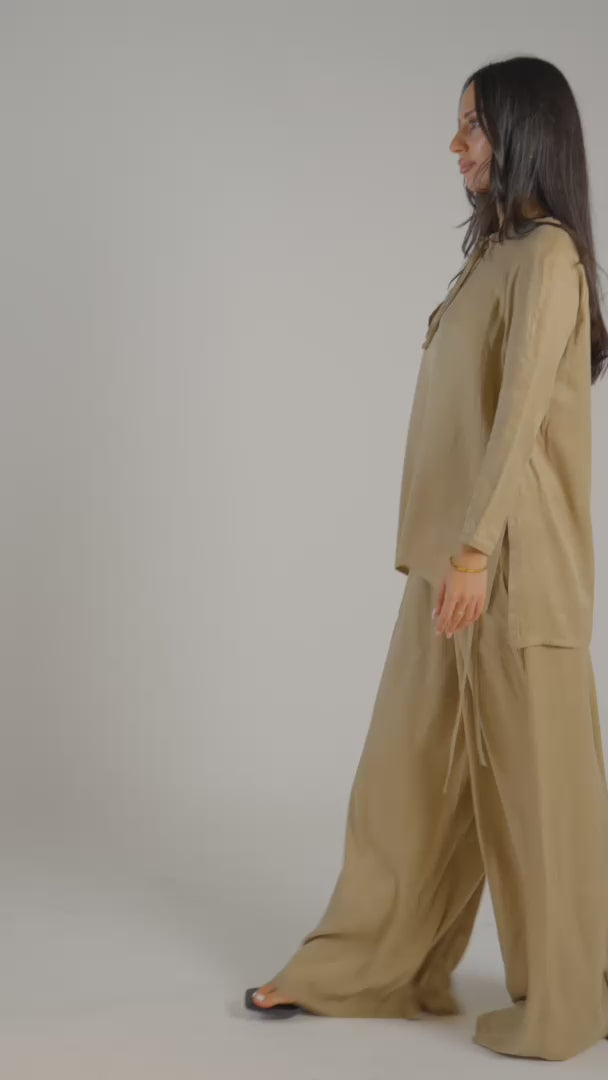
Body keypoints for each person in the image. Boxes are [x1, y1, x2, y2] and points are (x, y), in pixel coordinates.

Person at [243, 55, 608, 1061]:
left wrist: (478, 551)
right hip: (450, 573)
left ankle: (567, 999)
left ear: (524, 132)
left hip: (512, 575)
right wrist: (455, 557)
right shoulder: (490, 259)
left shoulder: (549, 259)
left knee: (537, 797)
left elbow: (518, 418)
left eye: (473, 126)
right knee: (406, 776)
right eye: (460, 125)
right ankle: (364, 968)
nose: (456, 145)